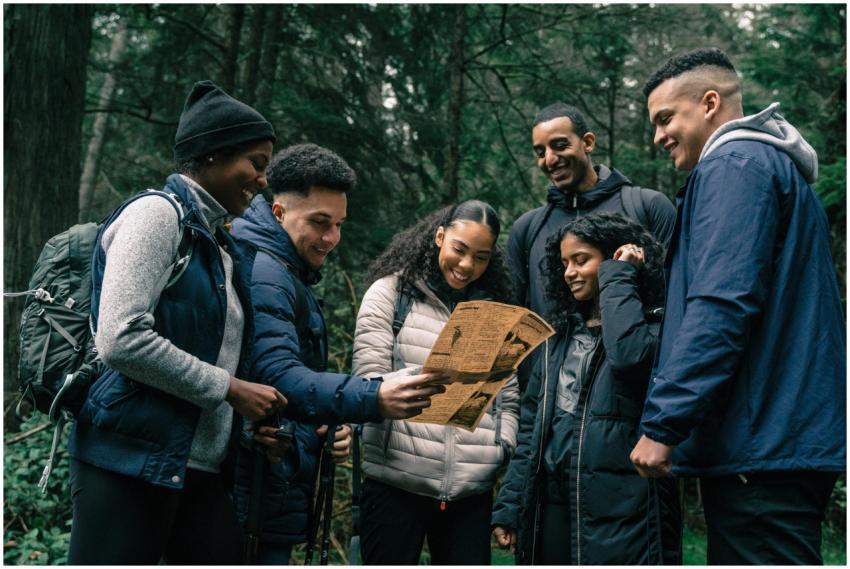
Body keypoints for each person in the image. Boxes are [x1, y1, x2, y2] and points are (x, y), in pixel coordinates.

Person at [631, 47, 845, 564]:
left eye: (665, 119)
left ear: (709, 103)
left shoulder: (734, 167)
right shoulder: (764, 167)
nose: (658, 136)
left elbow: (721, 305)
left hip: (763, 447)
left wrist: (663, 423)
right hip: (772, 443)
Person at [66, 80, 287, 564]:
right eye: (256, 162)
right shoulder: (156, 216)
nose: (262, 179)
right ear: (211, 155)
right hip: (125, 459)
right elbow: (120, 338)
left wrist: (247, 423)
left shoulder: (221, 246)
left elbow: (216, 350)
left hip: (196, 469)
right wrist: (230, 389)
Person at [230, 143, 446, 563]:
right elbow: (277, 375)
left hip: (267, 489)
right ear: (279, 213)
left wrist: (319, 426)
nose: (332, 238)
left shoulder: (286, 269)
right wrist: (374, 397)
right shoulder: (267, 272)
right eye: (319, 222)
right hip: (247, 493)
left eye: (339, 224)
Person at [492, 212, 681, 564]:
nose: (569, 273)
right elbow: (532, 430)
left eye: (581, 260)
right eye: (564, 263)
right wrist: (510, 504)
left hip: (622, 508)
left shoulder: (656, 326)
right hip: (552, 505)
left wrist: (620, 276)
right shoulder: (556, 340)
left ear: (613, 259)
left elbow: (628, 356)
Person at [351, 200, 520, 565]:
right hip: (395, 485)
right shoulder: (390, 294)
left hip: (470, 493)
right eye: (459, 250)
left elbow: (508, 396)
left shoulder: (493, 311)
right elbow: (367, 383)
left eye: (481, 257)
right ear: (439, 237)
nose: (466, 266)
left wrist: (501, 445)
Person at [507, 102, 676, 390]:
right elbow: (510, 320)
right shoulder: (527, 229)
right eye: (540, 152)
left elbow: (677, 304)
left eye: (560, 146)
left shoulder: (647, 207)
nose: (550, 159)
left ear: (588, 142)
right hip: (548, 404)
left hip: (629, 397)